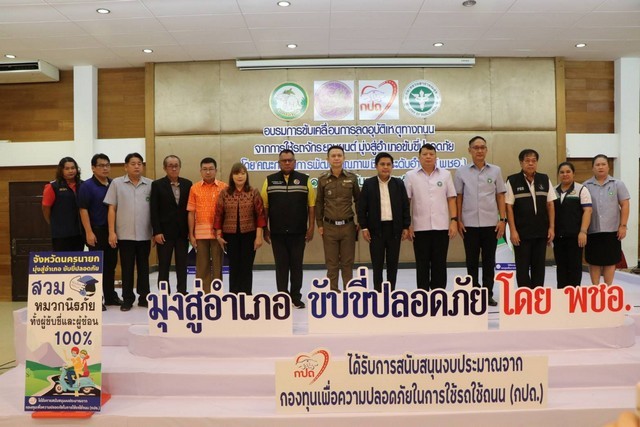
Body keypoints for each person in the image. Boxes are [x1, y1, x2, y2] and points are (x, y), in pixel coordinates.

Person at [454, 136, 507, 306]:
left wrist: (502, 219)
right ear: (469, 150)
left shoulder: (496, 171)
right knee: (471, 260)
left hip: (491, 224)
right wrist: (458, 220)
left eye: (482, 147)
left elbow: (500, 195)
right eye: (476, 147)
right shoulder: (461, 172)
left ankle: (487, 293)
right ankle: (474, 293)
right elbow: (459, 197)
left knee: (489, 261)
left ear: (486, 150)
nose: (479, 150)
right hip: (469, 224)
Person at [261, 149, 315, 308]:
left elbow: (311, 206)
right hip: (277, 233)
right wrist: (265, 228)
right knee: (281, 266)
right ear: (279, 163)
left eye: (290, 160)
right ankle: (282, 297)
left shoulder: (305, 180)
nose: (287, 163)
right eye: (283, 160)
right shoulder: (269, 181)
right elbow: (265, 207)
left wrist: (311, 227)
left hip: (298, 232)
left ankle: (296, 297)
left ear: (294, 162)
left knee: (297, 266)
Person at [104, 152, 153, 311]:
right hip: (124, 235)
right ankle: (127, 299)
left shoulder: (150, 184)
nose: (137, 166)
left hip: (145, 234)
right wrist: (111, 232)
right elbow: (112, 209)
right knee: (127, 268)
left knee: (144, 268)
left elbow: (155, 210)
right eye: (133, 163)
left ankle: (144, 297)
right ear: (126, 166)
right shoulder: (116, 184)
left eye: (139, 163)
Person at [405, 143, 457, 291]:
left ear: (436, 157)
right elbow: (407, 201)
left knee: (439, 263)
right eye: (425, 154)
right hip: (419, 227)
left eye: (431, 154)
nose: (428, 157)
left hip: (441, 227)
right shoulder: (410, 176)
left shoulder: (445, 174)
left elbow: (451, 199)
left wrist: (454, 221)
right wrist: (407, 224)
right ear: (419, 157)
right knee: (422, 263)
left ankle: (438, 294)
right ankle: (422, 295)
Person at [356, 152, 410, 292]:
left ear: (392, 166)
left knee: (393, 264)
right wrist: (364, 227)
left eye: (388, 164)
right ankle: (378, 292)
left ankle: (391, 292)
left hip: (394, 229)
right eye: (382, 164)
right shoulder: (369, 184)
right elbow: (362, 208)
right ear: (376, 166)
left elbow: (405, 206)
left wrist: (406, 226)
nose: (385, 167)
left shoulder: (399, 183)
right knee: (377, 264)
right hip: (376, 230)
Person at [505, 149, 557, 289]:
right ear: (521, 163)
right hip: (521, 233)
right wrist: (513, 231)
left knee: (539, 267)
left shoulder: (544, 179)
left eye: (534, 161)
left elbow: (550, 204)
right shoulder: (512, 180)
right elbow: (509, 207)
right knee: (522, 267)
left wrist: (552, 227)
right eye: (527, 161)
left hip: (541, 231)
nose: (530, 163)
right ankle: (524, 295)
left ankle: (537, 295)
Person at [78, 153, 122, 309]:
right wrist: (89, 232)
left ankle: (110, 296)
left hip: (112, 231)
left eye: (107, 165)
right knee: (97, 267)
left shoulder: (113, 184)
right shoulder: (87, 186)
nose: (105, 168)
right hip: (96, 231)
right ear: (93, 168)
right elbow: (83, 210)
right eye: (101, 165)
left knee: (111, 265)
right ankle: (96, 299)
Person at [214, 162, 266, 295]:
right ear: (232, 176)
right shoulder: (225, 193)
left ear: (246, 175)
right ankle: (234, 295)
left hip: (249, 234)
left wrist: (258, 237)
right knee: (234, 266)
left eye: (243, 173)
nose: (240, 176)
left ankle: (247, 295)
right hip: (230, 235)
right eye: (236, 173)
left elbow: (260, 215)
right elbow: (219, 214)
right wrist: (218, 235)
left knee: (246, 266)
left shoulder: (253, 192)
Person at [315, 145, 361, 292]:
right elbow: (319, 202)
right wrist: (319, 224)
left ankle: (349, 293)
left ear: (344, 158)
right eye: (333, 156)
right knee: (332, 263)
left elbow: (358, 201)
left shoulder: (352, 178)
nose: (336, 158)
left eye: (339, 155)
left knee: (348, 262)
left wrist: (360, 222)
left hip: (348, 226)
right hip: (329, 227)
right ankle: (333, 293)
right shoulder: (322, 179)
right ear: (328, 159)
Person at [584, 154, 630, 286]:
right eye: (597, 165)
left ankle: (608, 288)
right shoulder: (586, 185)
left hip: (612, 230)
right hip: (592, 230)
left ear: (608, 167)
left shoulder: (617, 184)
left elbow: (625, 204)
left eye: (603, 164)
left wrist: (623, 226)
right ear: (593, 168)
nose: (600, 167)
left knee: (610, 260)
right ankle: (595, 288)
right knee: (594, 261)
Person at [150, 155, 192, 295]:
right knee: (164, 265)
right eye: (170, 166)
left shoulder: (188, 184)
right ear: (165, 168)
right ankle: (164, 293)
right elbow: (154, 210)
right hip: (164, 233)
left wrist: (190, 231)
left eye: (176, 165)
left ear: (180, 167)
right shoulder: (157, 185)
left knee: (182, 265)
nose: (174, 168)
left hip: (182, 233)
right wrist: (156, 232)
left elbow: (190, 210)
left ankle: (182, 292)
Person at [187, 158, 228, 293]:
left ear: (216, 170)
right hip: (200, 234)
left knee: (217, 266)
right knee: (202, 266)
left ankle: (216, 294)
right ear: (200, 171)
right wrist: (191, 235)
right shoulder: (194, 188)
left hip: (218, 234)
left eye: (211, 169)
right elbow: (191, 213)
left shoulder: (224, 187)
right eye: (205, 169)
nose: (208, 172)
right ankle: (203, 295)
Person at [553, 161, 592, 288]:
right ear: (558, 174)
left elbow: (588, 211)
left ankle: (574, 294)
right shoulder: (553, 191)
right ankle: (561, 293)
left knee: (574, 267)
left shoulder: (581, 190)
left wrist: (583, 231)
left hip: (576, 236)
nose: (565, 174)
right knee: (561, 267)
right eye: (562, 172)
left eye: (568, 172)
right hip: (558, 237)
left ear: (573, 173)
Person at [42, 157, 84, 252]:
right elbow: (45, 208)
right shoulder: (52, 187)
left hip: (79, 233)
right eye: (67, 168)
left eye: (73, 168)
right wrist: (53, 222)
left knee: (77, 260)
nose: (71, 171)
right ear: (61, 170)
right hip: (61, 234)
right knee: (62, 260)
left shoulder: (83, 185)